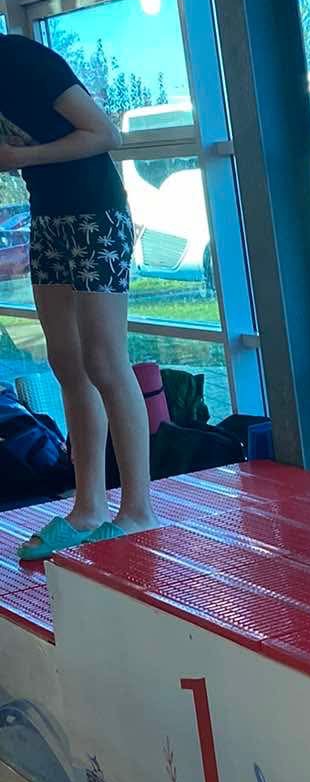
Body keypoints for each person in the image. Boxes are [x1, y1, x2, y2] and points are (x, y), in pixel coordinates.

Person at [0, 33, 156, 560]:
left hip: (96, 214)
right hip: (48, 218)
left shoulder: (25, 59)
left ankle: (138, 509)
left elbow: (104, 133)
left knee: (105, 360)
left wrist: (23, 156)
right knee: (66, 361)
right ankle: (87, 505)